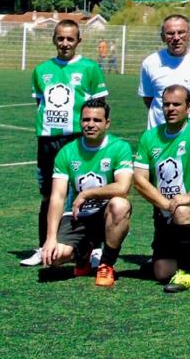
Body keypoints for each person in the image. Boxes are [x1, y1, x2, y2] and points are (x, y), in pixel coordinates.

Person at [21, 20, 108, 267]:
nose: (65, 43)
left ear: (78, 40)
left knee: (85, 195)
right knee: (49, 194)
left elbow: (99, 107)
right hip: (48, 140)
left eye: (70, 39)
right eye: (60, 38)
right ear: (54, 40)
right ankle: (44, 247)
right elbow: (40, 104)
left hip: (77, 140)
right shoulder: (41, 70)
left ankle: (92, 249)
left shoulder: (90, 69)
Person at [132, 84, 190, 293]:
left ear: (188, 107)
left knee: (182, 212)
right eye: (166, 105)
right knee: (162, 273)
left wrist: (189, 195)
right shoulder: (149, 137)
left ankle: (186, 274)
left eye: (176, 104)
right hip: (166, 208)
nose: (170, 109)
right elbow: (139, 179)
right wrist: (166, 204)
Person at [41, 98, 133, 288]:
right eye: (86, 119)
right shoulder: (67, 152)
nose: (90, 124)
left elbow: (122, 187)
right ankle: (83, 251)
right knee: (54, 258)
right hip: (78, 216)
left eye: (97, 120)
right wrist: (50, 239)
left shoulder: (119, 148)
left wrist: (86, 194)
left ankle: (106, 264)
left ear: (107, 123)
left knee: (120, 204)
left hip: (105, 214)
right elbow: (57, 196)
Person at [139, 14, 190, 129]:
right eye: (170, 33)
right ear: (162, 37)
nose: (176, 38)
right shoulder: (150, 63)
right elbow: (149, 98)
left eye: (181, 32)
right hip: (159, 135)